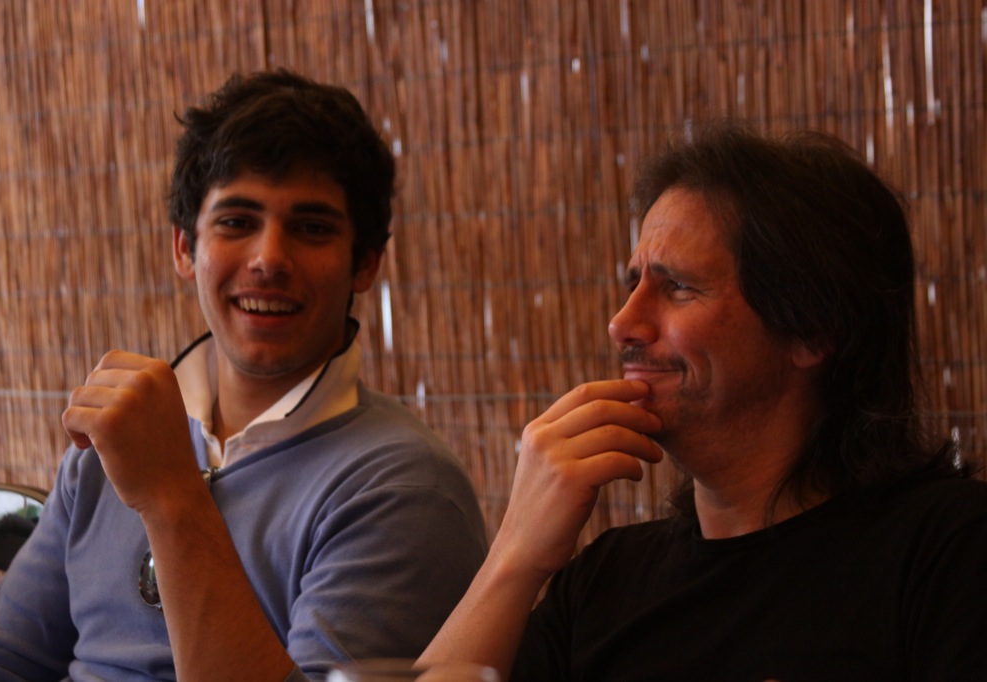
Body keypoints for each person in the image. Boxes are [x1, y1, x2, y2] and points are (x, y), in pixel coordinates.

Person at [0, 69, 487, 681]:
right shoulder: (114, 440)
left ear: (366, 264)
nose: (269, 259)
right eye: (237, 221)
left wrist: (171, 495)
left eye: (312, 228)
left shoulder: (405, 487)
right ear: (184, 249)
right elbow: (2, 663)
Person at [418, 122, 987, 681]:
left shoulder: (948, 550)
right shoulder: (604, 581)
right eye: (634, 283)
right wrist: (515, 556)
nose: (621, 323)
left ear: (812, 329)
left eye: (678, 287)